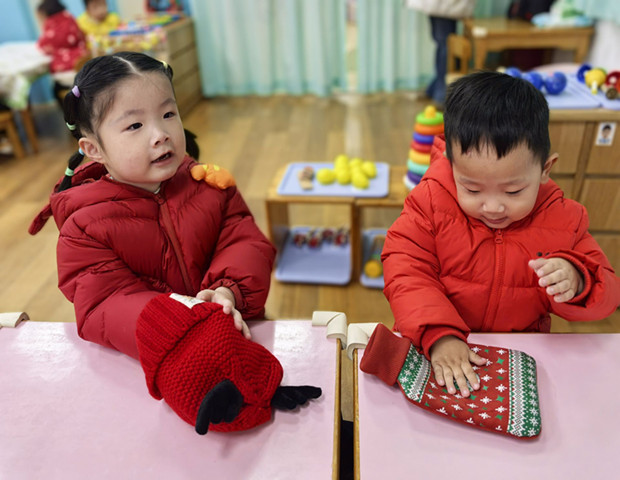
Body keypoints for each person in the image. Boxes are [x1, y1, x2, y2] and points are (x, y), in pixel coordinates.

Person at [29, 52, 320, 433]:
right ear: (93, 149)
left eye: (168, 114)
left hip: (237, 335)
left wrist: (227, 290)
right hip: (159, 363)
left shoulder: (209, 185)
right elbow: (102, 303)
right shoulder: (84, 224)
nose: (160, 133)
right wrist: (177, 316)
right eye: (135, 125)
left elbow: (244, 240)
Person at [382, 71, 620, 398]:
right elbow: (405, 269)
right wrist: (439, 334)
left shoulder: (565, 220)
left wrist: (579, 281)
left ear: (545, 169)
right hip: (433, 346)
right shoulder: (431, 201)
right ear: (452, 166)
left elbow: (608, 292)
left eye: (513, 191)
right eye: (472, 188)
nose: (493, 207)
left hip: (518, 355)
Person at [36, 0, 87, 96]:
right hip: (83, 61)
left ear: (45, 15)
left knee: (56, 88)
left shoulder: (52, 25)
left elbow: (43, 45)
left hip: (70, 71)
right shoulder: (70, 18)